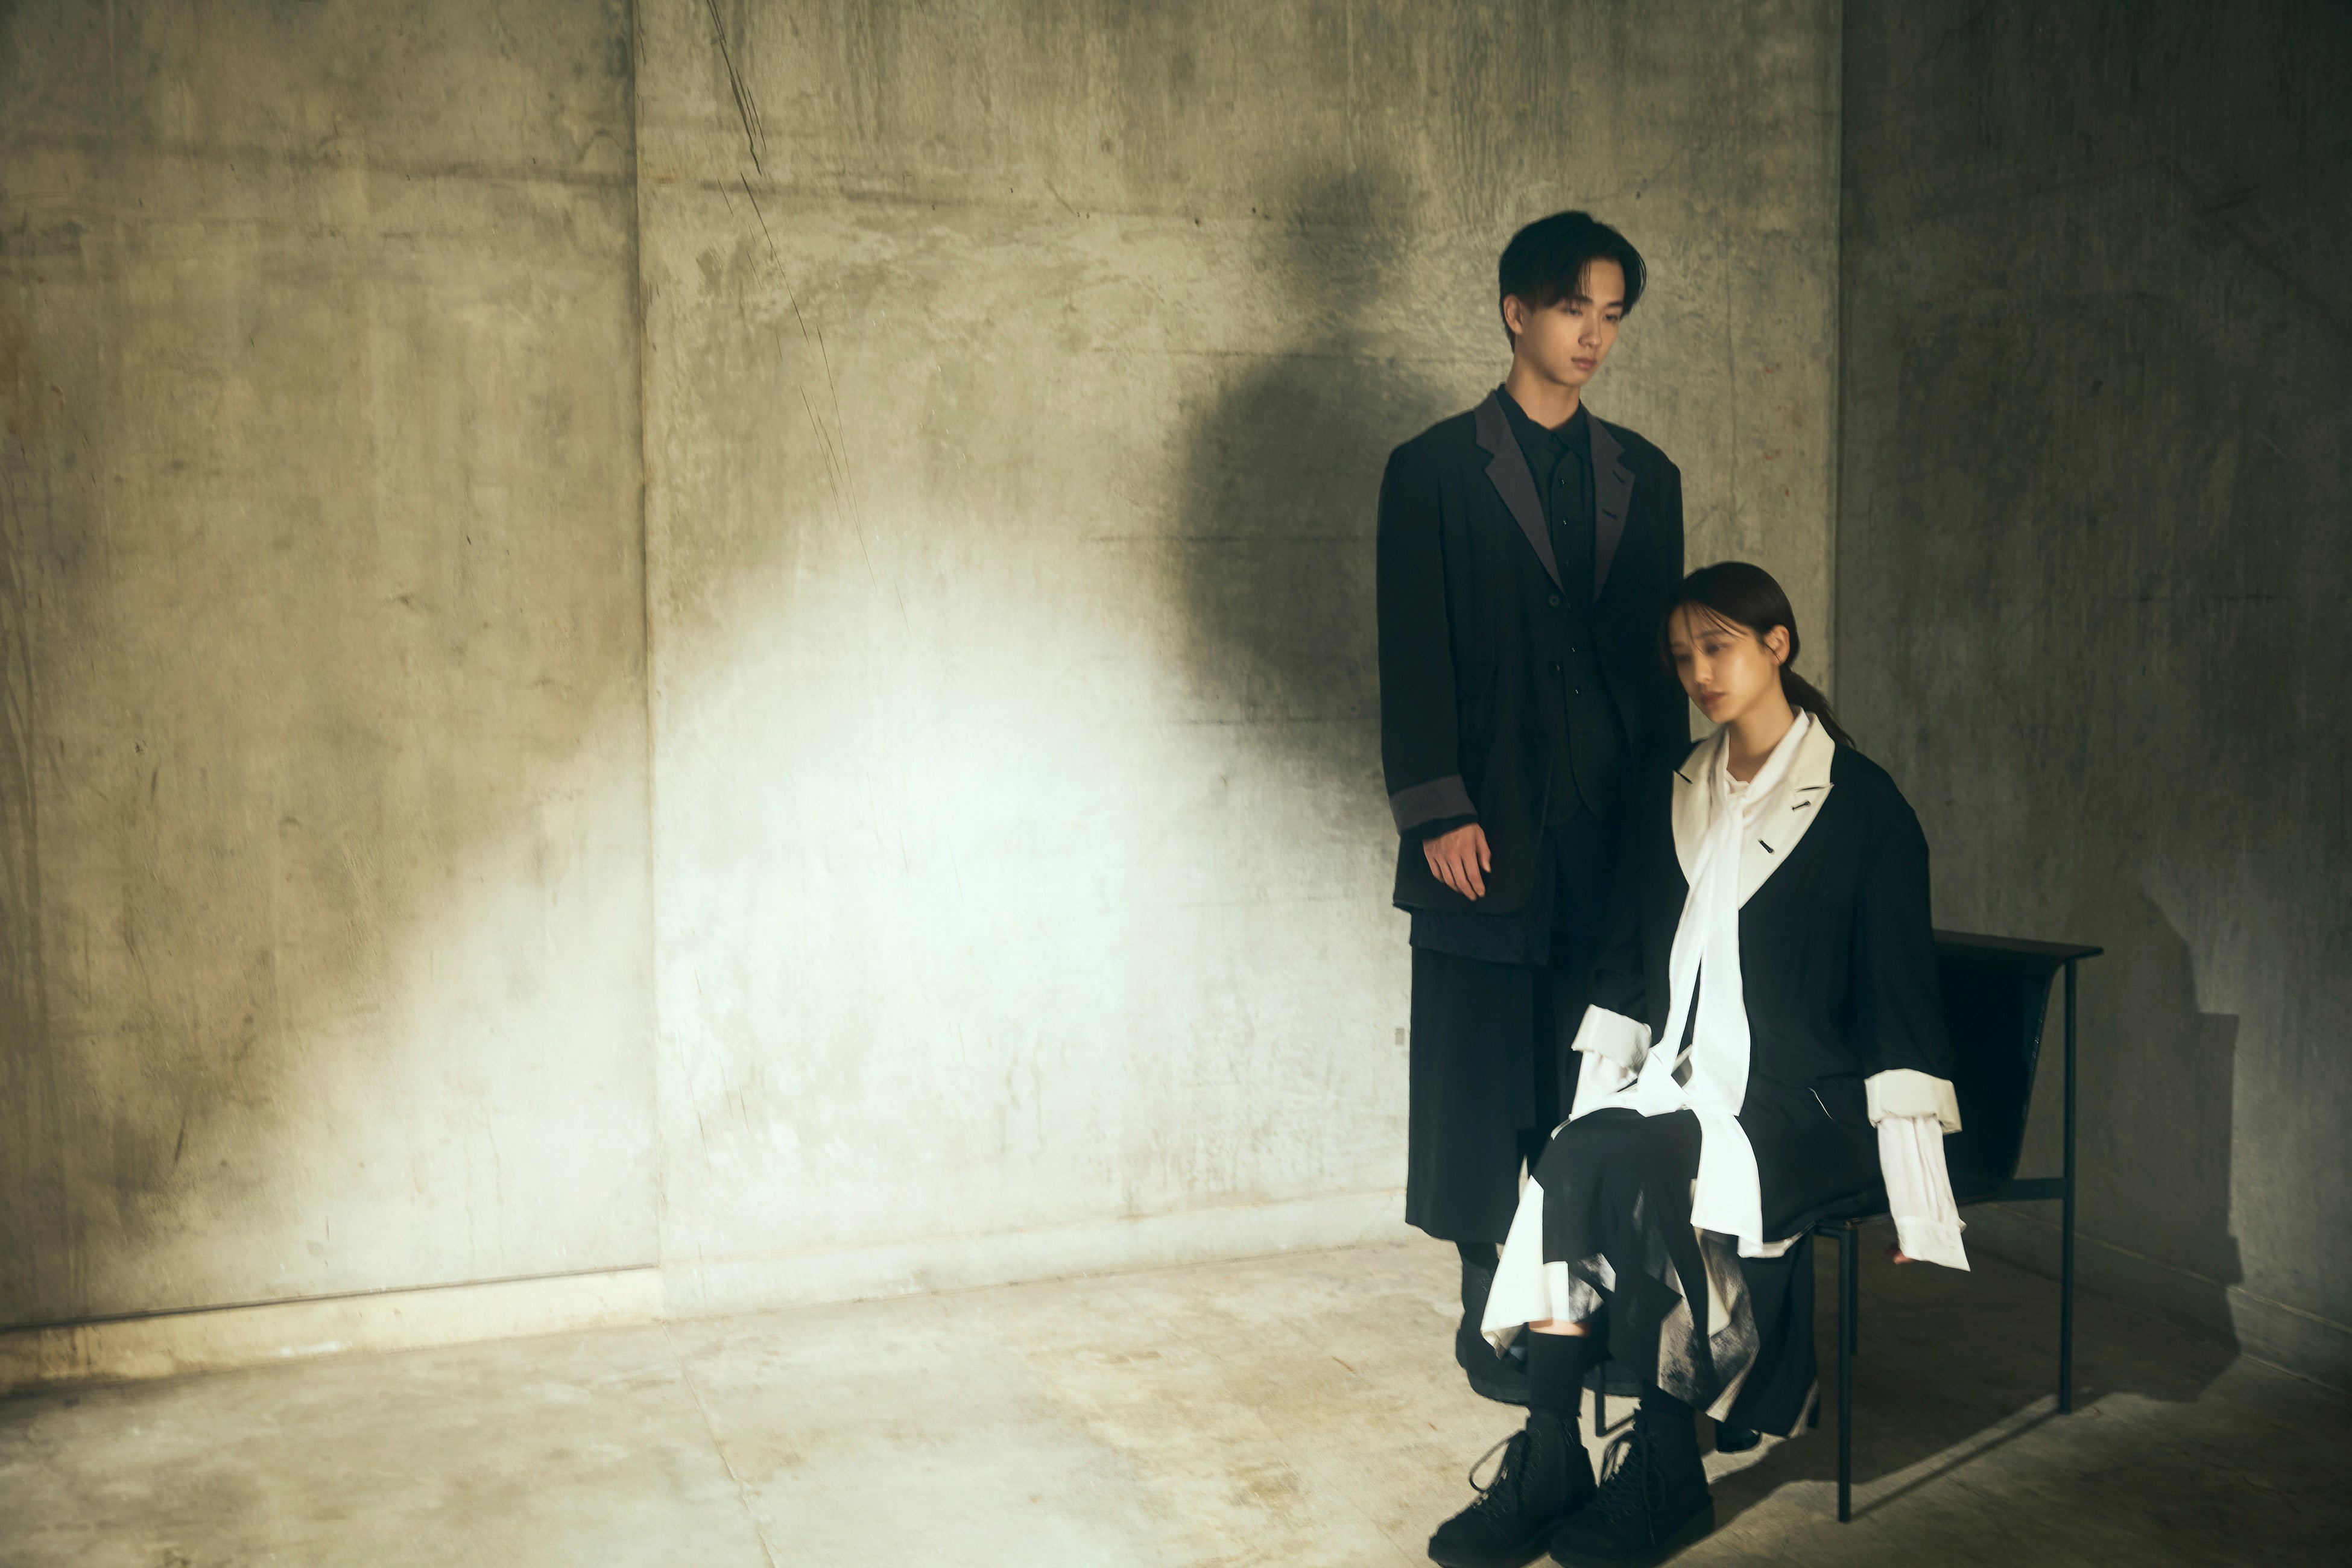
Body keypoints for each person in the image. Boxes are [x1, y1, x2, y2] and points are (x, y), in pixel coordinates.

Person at [1426, 562, 1971, 1568]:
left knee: (1654, 1168)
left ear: (1778, 644)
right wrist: (1592, 1115)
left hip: (1807, 1104)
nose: (1698, 674)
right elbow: (1629, 971)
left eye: (1717, 647)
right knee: (1577, 1155)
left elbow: (1902, 1008)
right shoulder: (1677, 792)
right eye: (1682, 658)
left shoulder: (1865, 808)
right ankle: (1550, 1455)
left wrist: (1919, 1195)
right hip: (1686, 1085)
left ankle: (1667, 1461)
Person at [1376, 212, 1689, 1405]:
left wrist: (1673, 829)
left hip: (1613, 839)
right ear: (1517, 312)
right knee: (1481, 1090)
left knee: (1591, 1084)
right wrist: (1437, 809)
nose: (1593, 336)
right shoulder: (1431, 471)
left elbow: (1662, 666)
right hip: (1485, 836)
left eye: (1612, 315)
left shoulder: (1646, 477)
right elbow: (1413, 650)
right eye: (1572, 310)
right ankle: (1487, 1321)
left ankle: (1577, 1319)